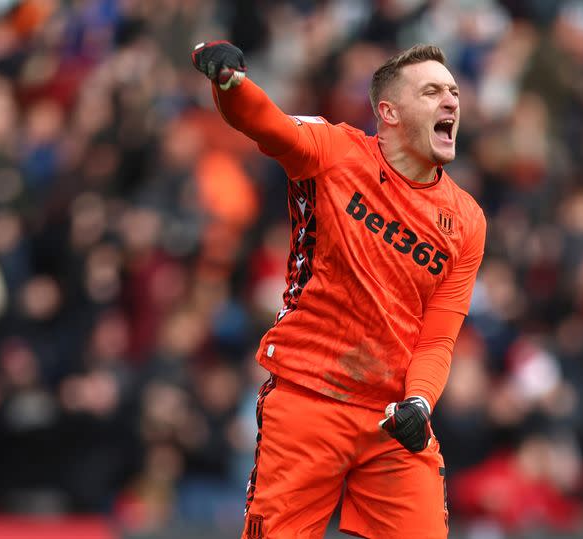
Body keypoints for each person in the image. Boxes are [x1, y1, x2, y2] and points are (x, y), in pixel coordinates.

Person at [192, 40, 486, 539]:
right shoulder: (334, 150)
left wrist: (419, 402)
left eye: (454, 91)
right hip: (309, 397)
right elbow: (267, 124)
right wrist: (230, 83)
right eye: (432, 91)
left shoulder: (467, 221)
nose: (451, 101)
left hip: (393, 417)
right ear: (388, 112)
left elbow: (437, 338)